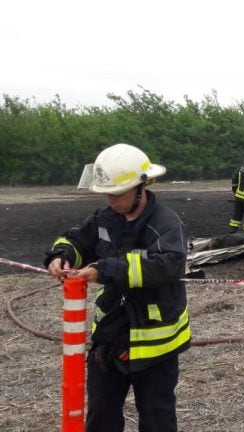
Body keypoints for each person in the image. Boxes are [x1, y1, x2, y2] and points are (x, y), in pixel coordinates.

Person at [44, 143, 191, 432]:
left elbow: (168, 265)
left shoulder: (165, 223)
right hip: (110, 337)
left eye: (116, 193)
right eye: (106, 193)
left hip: (155, 343)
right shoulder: (105, 218)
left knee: (157, 418)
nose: (110, 200)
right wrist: (61, 255)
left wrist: (107, 269)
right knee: (101, 414)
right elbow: (77, 240)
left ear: (141, 187)